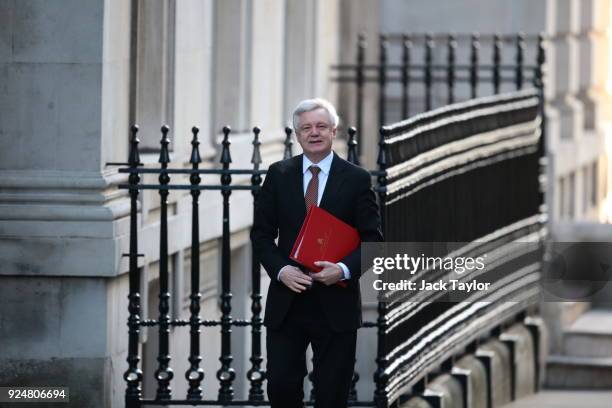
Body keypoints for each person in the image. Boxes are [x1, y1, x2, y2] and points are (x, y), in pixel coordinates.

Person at [250, 98, 383, 408]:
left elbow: (372, 240)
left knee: (331, 395)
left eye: (321, 126)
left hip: (335, 302)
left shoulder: (356, 179)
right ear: (297, 135)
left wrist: (343, 269)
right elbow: (261, 235)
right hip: (288, 301)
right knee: (282, 388)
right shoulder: (279, 174)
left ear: (333, 131)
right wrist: (282, 271)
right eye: (306, 128)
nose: (314, 133)